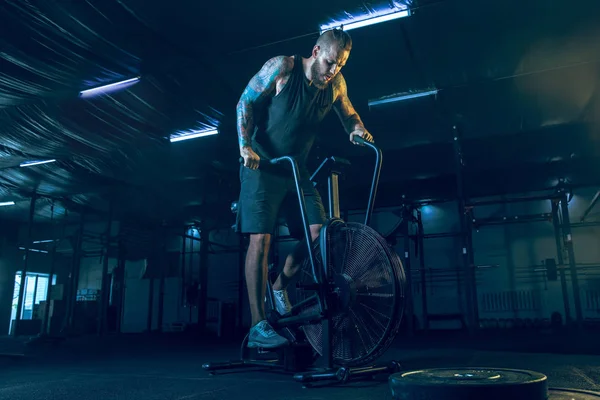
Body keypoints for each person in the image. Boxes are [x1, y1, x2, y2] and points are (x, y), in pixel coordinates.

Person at [235, 28, 374, 349]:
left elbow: (349, 112)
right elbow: (245, 101)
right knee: (261, 238)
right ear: (315, 52)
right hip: (263, 165)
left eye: (340, 65)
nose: (333, 70)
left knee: (320, 232)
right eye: (329, 62)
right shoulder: (282, 68)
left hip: (295, 169)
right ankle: (258, 325)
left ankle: (280, 284)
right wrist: (245, 146)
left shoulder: (335, 83)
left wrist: (357, 128)